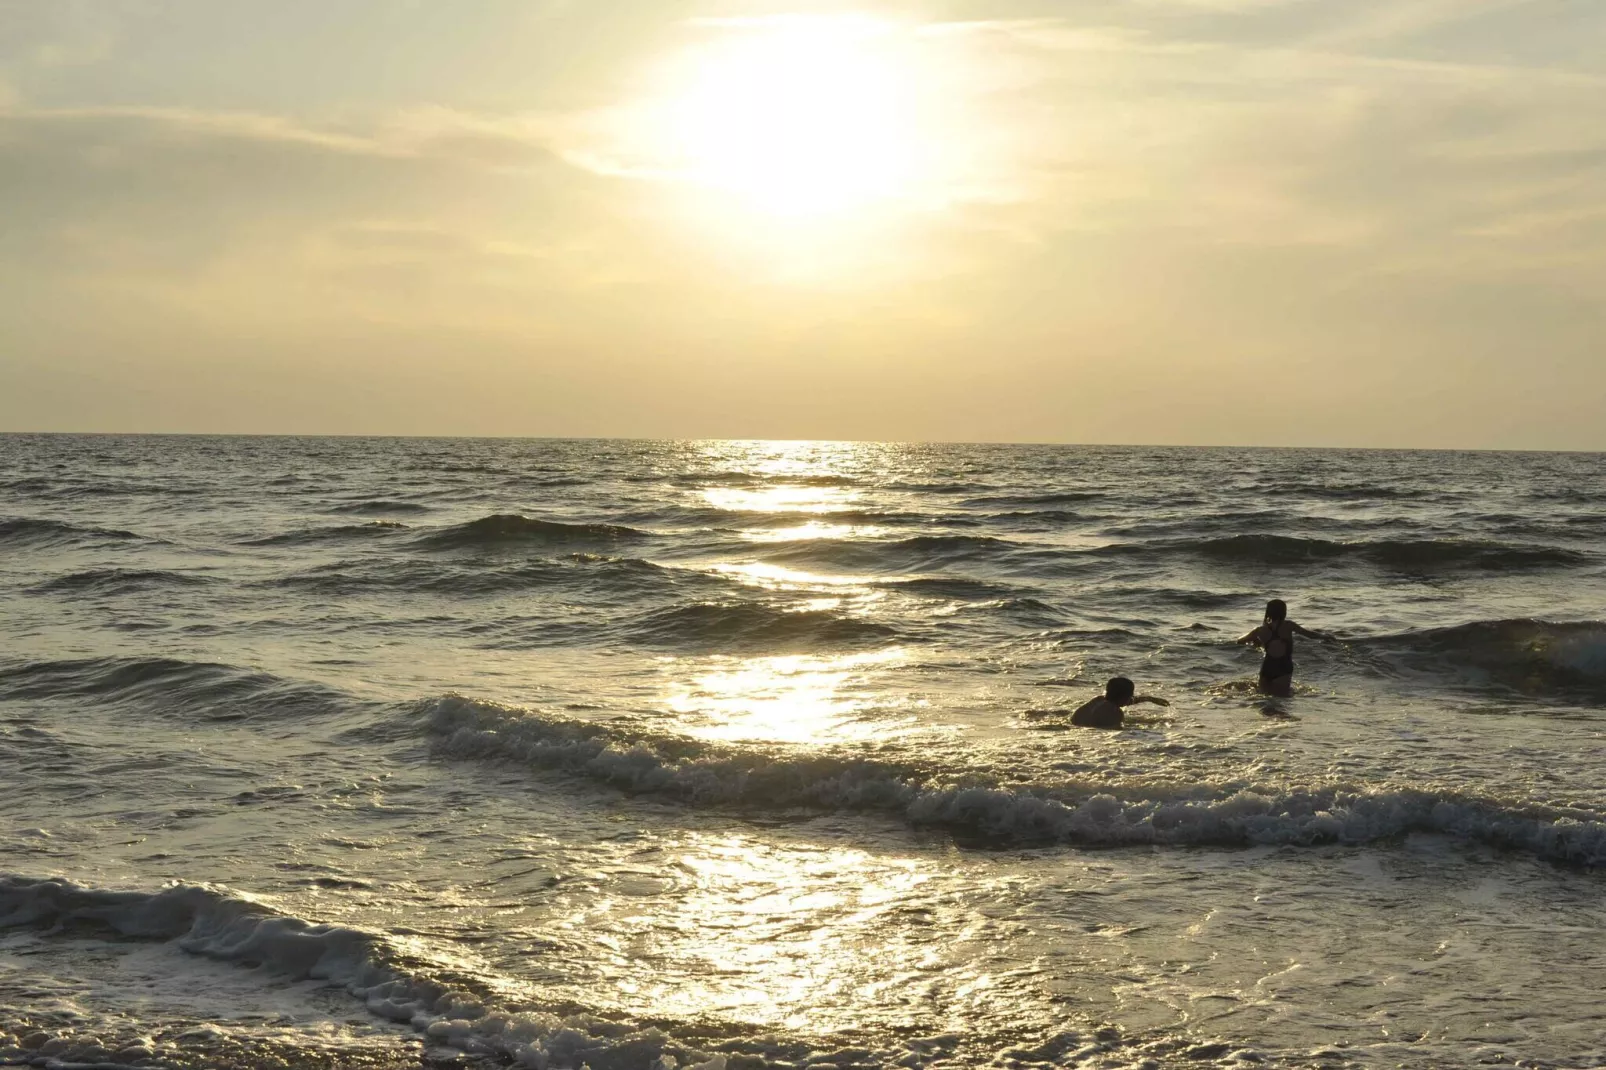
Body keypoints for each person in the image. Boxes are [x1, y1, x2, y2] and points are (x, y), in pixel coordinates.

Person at [1237, 598, 1332, 696]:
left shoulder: (1260, 630)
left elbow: (1240, 640)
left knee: (1264, 699)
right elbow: (1308, 634)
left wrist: (1255, 641)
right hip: (1283, 666)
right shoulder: (1288, 625)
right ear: (1283, 612)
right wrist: (1325, 637)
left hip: (1267, 667)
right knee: (1281, 700)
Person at [1071, 676, 1170, 728]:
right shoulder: (1115, 713)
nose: (1132, 698)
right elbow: (1114, 731)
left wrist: (1149, 699)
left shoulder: (1098, 700)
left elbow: (1123, 701)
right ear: (1125, 697)